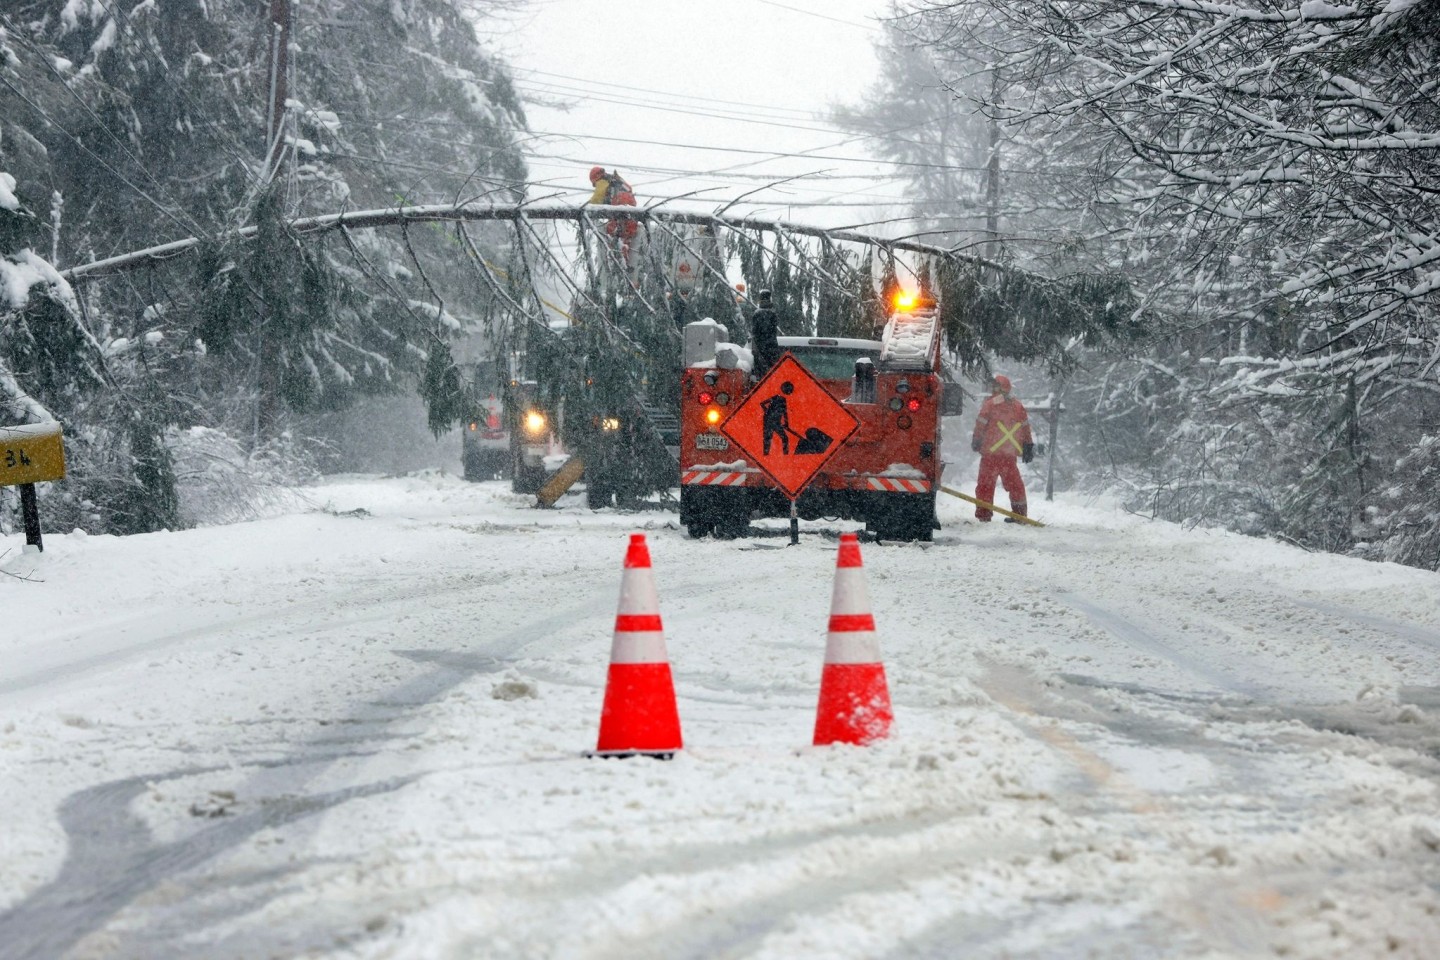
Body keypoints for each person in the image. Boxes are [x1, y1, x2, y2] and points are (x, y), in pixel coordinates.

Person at [971, 374, 1034, 522]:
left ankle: (984, 515)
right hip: (1008, 455)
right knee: (1015, 485)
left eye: (995, 386)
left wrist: (976, 440)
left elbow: (981, 424)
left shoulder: (990, 404)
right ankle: (1019, 515)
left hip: (990, 455)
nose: (993, 389)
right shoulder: (1017, 406)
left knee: (985, 485)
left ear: (1000, 387)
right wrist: (1028, 445)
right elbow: (1025, 428)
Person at [586, 166, 639, 267]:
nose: (595, 185)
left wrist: (588, 208)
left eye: (594, 183)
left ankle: (617, 262)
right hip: (631, 207)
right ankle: (626, 258)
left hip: (619, 204)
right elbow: (630, 191)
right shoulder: (617, 180)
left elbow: (597, 199)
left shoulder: (603, 181)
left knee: (613, 232)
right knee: (627, 233)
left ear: (595, 177)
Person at [749, 289, 781, 377]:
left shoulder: (757, 314)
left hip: (760, 352)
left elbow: (755, 333)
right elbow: (772, 333)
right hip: (771, 351)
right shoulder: (772, 314)